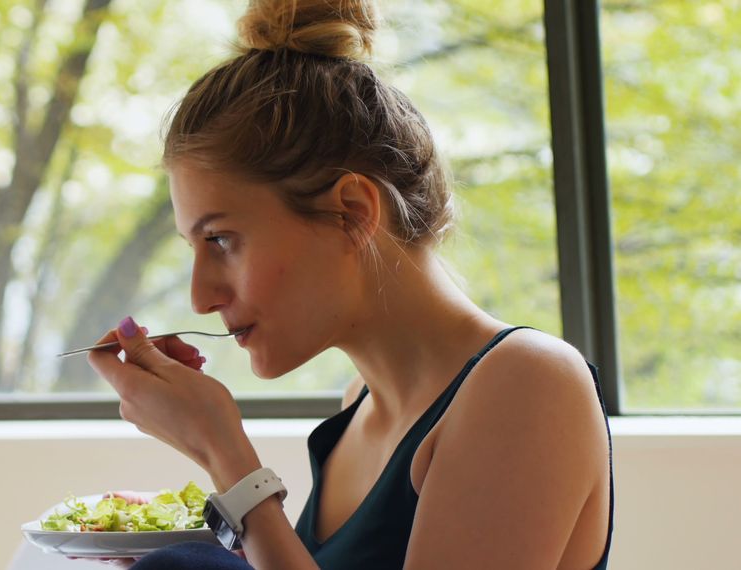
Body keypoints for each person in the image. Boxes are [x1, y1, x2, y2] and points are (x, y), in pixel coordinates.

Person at [85, 0, 614, 568]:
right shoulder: (358, 404)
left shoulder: (529, 384)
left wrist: (225, 455)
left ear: (352, 212)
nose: (200, 297)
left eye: (221, 240)